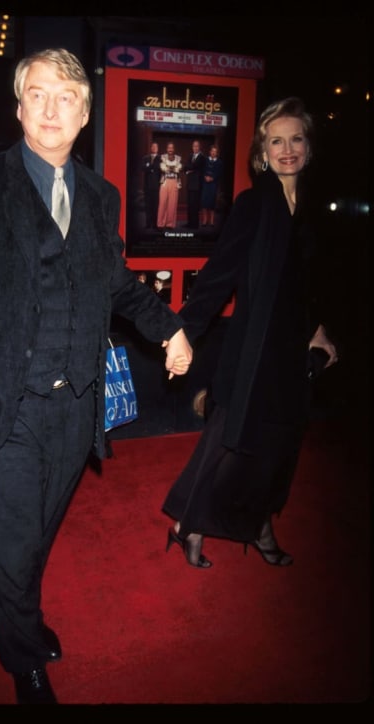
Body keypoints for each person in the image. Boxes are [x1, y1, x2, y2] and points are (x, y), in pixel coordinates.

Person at [0, 48, 193, 705]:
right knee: (8, 549)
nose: (49, 108)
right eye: (36, 95)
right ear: (17, 108)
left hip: (73, 412)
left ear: (85, 115)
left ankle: (20, 614)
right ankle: (24, 663)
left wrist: (170, 326)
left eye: (65, 97)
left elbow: (118, 284)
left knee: (33, 535)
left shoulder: (101, 197)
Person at [162, 97, 338, 569]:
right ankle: (189, 526)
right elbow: (219, 274)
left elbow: (312, 282)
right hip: (254, 349)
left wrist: (319, 329)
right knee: (226, 445)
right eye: (276, 141)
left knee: (277, 450)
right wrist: (182, 332)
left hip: (293, 351)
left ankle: (258, 525)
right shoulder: (255, 202)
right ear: (262, 151)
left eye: (295, 139)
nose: (287, 149)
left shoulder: (313, 207)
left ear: (308, 146)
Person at [157, 141, 182, 230]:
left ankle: (170, 224)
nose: (170, 149)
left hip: (174, 182)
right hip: (165, 182)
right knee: (162, 203)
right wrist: (172, 169)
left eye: (172, 148)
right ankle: (160, 224)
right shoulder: (163, 157)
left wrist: (170, 169)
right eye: (169, 148)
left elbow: (178, 169)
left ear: (174, 149)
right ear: (167, 149)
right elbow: (163, 168)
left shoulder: (178, 158)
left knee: (172, 204)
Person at [200, 144, 223, 227]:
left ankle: (211, 221)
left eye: (215, 152)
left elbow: (219, 173)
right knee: (204, 202)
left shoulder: (219, 162)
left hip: (213, 184)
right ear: (210, 152)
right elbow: (202, 170)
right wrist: (205, 177)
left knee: (212, 202)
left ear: (217, 153)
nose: (213, 153)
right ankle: (205, 221)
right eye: (212, 151)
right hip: (205, 184)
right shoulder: (206, 160)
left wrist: (212, 178)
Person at [183, 139, 205, 228]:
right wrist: (190, 169)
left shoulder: (202, 157)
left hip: (197, 185)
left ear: (199, 147)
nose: (195, 148)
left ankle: (195, 224)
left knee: (195, 205)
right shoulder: (190, 156)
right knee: (190, 205)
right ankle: (189, 223)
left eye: (197, 146)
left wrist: (190, 168)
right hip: (190, 184)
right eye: (194, 146)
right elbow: (185, 167)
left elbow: (194, 166)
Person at [141, 141, 161, 229]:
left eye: (155, 147)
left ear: (157, 149)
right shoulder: (145, 158)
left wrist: (149, 167)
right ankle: (148, 224)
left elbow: (158, 169)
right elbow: (143, 168)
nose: (154, 148)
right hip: (147, 186)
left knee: (155, 206)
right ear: (150, 148)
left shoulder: (161, 158)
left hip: (157, 186)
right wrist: (151, 168)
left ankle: (155, 224)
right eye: (152, 147)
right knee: (148, 206)